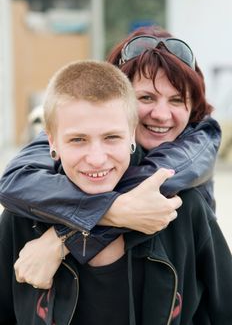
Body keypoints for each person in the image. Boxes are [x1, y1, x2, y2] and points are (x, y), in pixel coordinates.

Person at [1, 60, 232, 325]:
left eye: (112, 137)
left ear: (133, 135)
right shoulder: (21, 220)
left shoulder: (181, 208)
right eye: (78, 139)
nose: (97, 159)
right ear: (51, 141)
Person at [0, 26, 221, 269]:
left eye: (177, 100)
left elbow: (155, 183)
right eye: (146, 98)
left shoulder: (199, 142)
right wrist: (112, 212)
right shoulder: (76, 128)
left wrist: (61, 239)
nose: (161, 114)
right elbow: (15, 181)